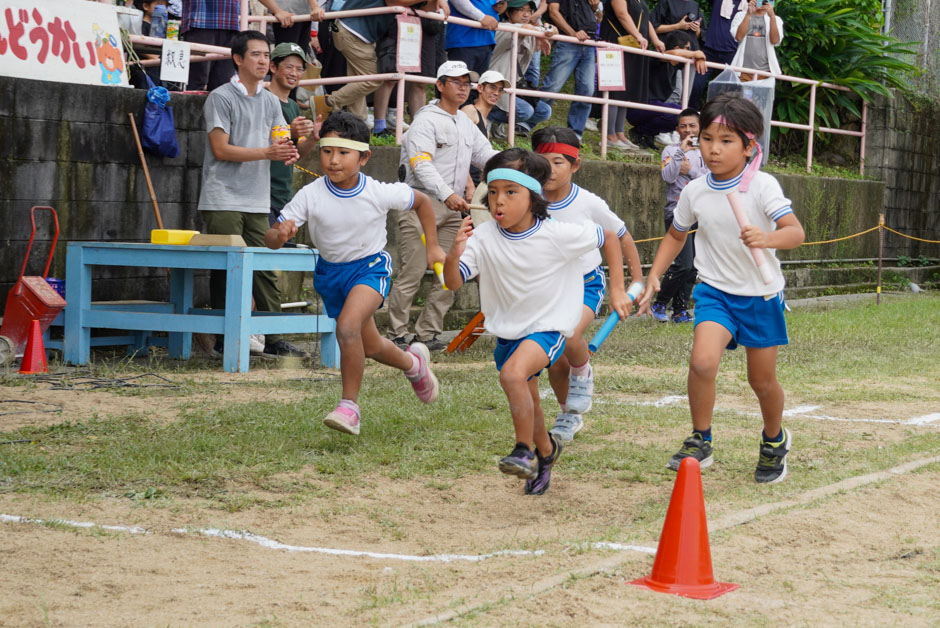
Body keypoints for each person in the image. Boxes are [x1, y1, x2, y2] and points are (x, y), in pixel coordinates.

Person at [637, 93, 805, 484]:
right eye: (707, 139)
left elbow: (794, 232)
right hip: (714, 291)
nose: (713, 149)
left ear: (749, 147)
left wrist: (766, 238)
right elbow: (676, 236)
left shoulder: (762, 187)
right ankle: (701, 438)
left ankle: (774, 439)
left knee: (761, 381)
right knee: (702, 362)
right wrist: (654, 274)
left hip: (760, 294)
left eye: (726, 141)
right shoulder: (695, 190)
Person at [442, 148, 629, 494]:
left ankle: (523, 451)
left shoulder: (558, 233)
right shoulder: (483, 237)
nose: (499, 202)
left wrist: (617, 289)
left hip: (550, 325)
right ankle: (546, 451)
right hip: (509, 329)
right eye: (493, 192)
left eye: (511, 193)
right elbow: (453, 281)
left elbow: (609, 237)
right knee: (528, 399)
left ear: (533, 197)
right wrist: (452, 255)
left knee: (512, 374)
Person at [265, 112, 445, 435]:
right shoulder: (310, 194)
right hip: (331, 275)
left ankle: (349, 407)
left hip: (370, 269)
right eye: (326, 151)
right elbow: (272, 238)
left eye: (343, 153)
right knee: (371, 346)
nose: (333, 161)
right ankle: (414, 365)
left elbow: (423, 202)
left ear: (364, 157)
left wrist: (432, 247)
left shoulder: (377, 192)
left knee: (347, 329)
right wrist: (280, 235)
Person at [199, 30, 307, 358]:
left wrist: (295, 144)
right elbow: (220, 149)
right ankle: (222, 338)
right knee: (226, 268)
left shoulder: (272, 101)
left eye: (265, 55)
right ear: (238, 59)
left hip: (258, 198)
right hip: (223, 197)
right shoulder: (220, 97)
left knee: (265, 265)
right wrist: (268, 153)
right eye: (256, 55)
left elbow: (280, 144)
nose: (263, 61)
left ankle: (273, 337)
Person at [531, 127, 642, 441]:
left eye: (558, 162)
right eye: (542, 162)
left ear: (575, 166)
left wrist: (630, 283)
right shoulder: (526, 199)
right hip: (548, 287)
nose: (549, 170)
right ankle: (568, 414)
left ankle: (583, 370)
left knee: (568, 332)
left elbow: (620, 237)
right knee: (555, 362)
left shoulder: (588, 203)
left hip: (585, 284)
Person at [386, 61, 498, 352]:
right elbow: (421, 165)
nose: (463, 88)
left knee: (450, 271)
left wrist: (517, 164)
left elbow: (487, 155)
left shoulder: (465, 123)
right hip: (419, 201)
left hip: (453, 207)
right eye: (456, 82)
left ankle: (428, 333)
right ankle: (396, 333)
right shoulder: (426, 120)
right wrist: (448, 193)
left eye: (467, 83)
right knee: (412, 270)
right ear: (440, 85)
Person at [650, 107, 707, 323]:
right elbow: (668, 175)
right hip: (675, 212)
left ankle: (680, 310)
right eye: (683, 126)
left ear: (700, 127)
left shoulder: (706, 152)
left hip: (700, 212)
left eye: (692, 125)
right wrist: (680, 153)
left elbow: (711, 177)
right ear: (677, 129)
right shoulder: (670, 150)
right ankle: (660, 302)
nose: (687, 130)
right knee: (682, 263)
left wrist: (691, 169)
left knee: (693, 266)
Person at [372, 0, 451, 138]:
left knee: (421, 81)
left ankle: (417, 129)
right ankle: (379, 126)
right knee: (390, 76)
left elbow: (431, 7)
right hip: (397, 20)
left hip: (428, 25)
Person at [598, 0, 663, 150]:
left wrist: (656, 40)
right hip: (617, 42)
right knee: (614, 89)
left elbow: (646, 20)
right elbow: (622, 14)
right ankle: (609, 134)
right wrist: (638, 36)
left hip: (632, 45)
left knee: (625, 89)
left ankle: (619, 132)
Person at [267, 42, 319, 226]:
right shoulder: (262, 100)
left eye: (299, 69)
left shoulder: (294, 106)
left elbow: (296, 154)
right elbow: (256, 141)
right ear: (273, 67)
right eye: (288, 67)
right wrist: (291, 130)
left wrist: (314, 137)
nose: (294, 73)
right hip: (262, 194)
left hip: (284, 194)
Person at [486, 0, 555, 139]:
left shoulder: (530, 31)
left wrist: (547, 29)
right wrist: (539, 33)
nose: (526, 14)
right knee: (525, 111)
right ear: (508, 12)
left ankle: (499, 121)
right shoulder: (502, 28)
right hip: (494, 87)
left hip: (512, 89)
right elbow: (525, 28)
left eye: (529, 11)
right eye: (521, 10)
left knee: (544, 111)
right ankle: (485, 115)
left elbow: (553, 30)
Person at [628, 30, 707, 149]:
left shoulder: (677, 64)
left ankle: (647, 133)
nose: (690, 52)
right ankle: (640, 132)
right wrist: (696, 53)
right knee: (683, 114)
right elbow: (673, 53)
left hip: (652, 109)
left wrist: (700, 57)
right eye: (687, 48)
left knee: (685, 114)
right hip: (637, 108)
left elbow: (682, 55)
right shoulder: (658, 57)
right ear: (678, 48)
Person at [539, 0, 602, 139]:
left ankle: (575, 135)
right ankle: (527, 121)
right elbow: (553, 12)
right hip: (568, 42)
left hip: (590, 43)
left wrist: (595, 7)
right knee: (552, 86)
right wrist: (572, 33)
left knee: (587, 90)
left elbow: (599, 18)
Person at [460, 70, 509, 186]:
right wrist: (468, 183)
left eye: (500, 90)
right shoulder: (469, 111)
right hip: (464, 183)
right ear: (480, 88)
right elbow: (457, 150)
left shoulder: (484, 123)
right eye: (492, 87)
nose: (496, 93)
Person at [181, 0, 240, 91]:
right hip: (200, 21)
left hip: (230, 23)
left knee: (223, 86)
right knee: (197, 81)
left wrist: (271, 8)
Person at [445, 0, 506, 79]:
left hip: (486, 41)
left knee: (478, 86)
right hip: (464, 40)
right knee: (460, 82)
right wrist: (481, 17)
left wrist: (500, 7)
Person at [730, 0, 783, 81]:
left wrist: (772, 17)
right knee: (741, 94)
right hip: (743, 70)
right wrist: (748, 13)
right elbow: (738, 37)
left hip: (766, 72)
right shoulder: (740, 15)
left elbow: (775, 41)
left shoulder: (776, 19)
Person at [258, 0, 324, 52]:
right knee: (287, 60)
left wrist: (315, 7)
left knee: (299, 62)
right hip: (286, 17)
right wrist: (277, 10)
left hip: (305, 15)